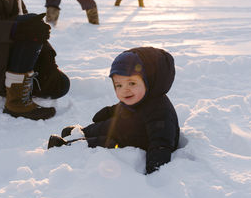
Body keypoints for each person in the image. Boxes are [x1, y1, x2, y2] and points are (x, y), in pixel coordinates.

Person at [48, 47, 179, 174]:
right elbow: (122, 108)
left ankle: (67, 147)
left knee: (102, 141)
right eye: (119, 85)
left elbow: (161, 144)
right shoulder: (137, 98)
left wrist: (155, 170)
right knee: (107, 125)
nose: (124, 90)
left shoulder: (159, 111)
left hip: (132, 142)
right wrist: (109, 111)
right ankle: (82, 132)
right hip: (125, 129)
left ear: (150, 81)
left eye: (132, 83)